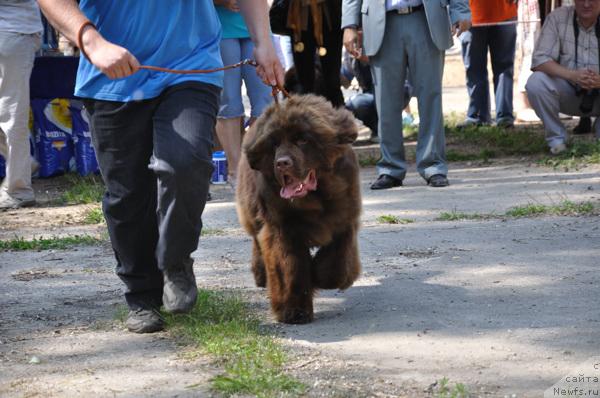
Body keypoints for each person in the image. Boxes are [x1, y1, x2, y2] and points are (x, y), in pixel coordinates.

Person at [38, 0, 284, 333]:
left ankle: (176, 261)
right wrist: (91, 41)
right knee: (127, 193)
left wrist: (263, 42)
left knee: (184, 162)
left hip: (192, 65)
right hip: (111, 72)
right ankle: (141, 294)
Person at [342, 0, 471, 189]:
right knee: (385, 101)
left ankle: (433, 166)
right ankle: (390, 168)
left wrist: (460, 9)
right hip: (381, 21)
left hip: (426, 18)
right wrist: (349, 24)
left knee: (430, 97)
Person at [525, 0, 600, 155]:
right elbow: (539, 60)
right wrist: (572, 75)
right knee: (536, 82)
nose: (586, 4)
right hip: (570, 92)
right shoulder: (557, 17)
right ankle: (557, 140)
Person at [214, 0, 273, 186]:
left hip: (257, 30)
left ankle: (258, 164)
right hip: (221, 29)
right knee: (229, 103)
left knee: (265, 104)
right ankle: (235, 172)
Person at [0, 0, 42, 209]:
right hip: (12, 32)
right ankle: (23, 165)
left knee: (11, 113)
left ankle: (19, 190)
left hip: (13, 30)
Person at [459, 0, 518, 128]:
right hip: (470, 16)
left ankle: (504, 117)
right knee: (474, 68)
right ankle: (478, 116)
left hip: (504, 13)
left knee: (504, 68)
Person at [288, 0, 345, 107]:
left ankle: (339, 119)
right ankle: (306, 119)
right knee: (304, 84)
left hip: (331, 15)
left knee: (333, 83)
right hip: (299, 17)